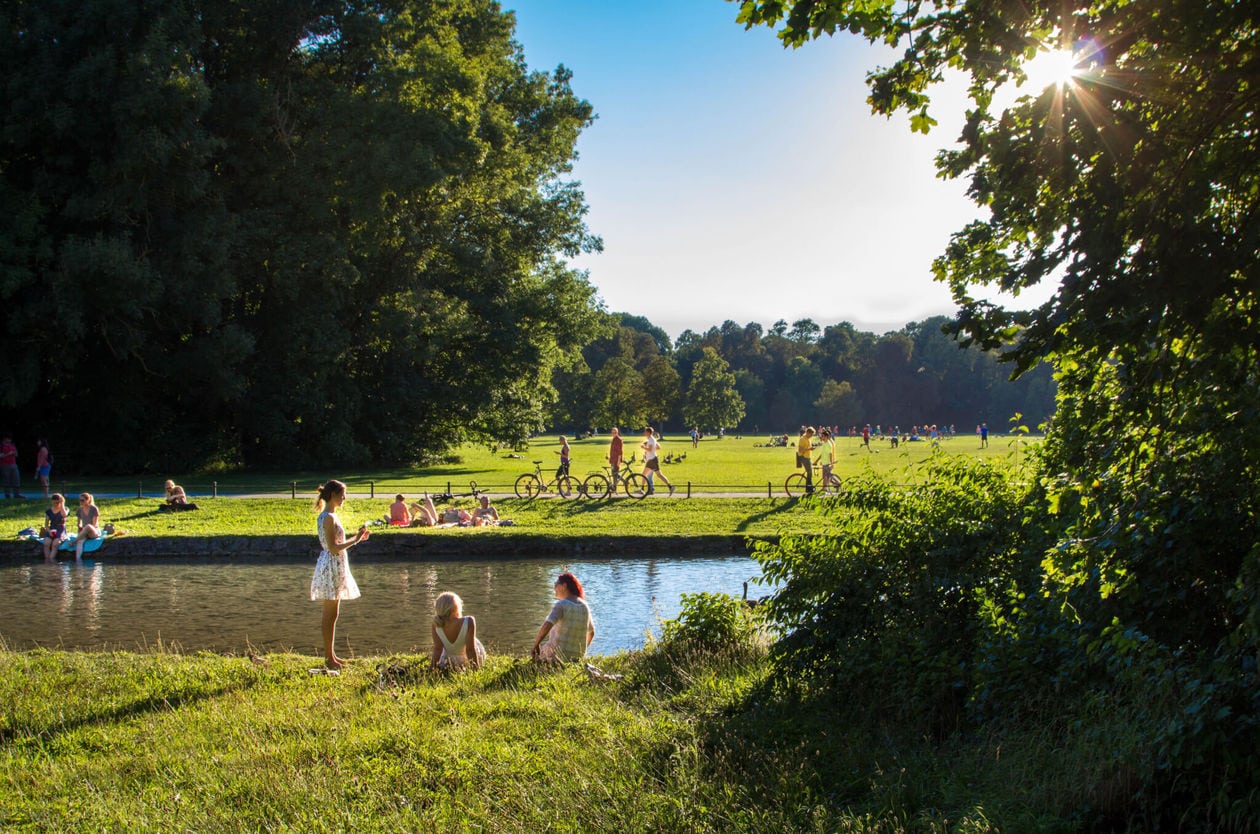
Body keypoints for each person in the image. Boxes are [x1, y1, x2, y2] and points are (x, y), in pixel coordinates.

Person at [310, 480, 369, 670]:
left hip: (336, 565)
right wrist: (356, 539)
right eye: (343, 494)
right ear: (334, 494)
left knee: (334, 613)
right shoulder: (328, 517)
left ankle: (332, 655)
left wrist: (355, 538)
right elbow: (333, 548)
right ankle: (329, 658)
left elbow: (335, 544)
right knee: (329, 614)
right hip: (331, 566)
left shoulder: (331, 515)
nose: (344, 498)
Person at [531, 572, 595, 663]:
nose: (554, 588)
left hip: (556, 656)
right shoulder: (585, 606)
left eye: (555, 584)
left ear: (564, 586)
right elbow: (591, 632)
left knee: (536, 656)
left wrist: (536, 644)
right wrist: (581, 651)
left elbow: (547, 625)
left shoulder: (561, 605)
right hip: (578, 658)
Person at [430, 591, 485, 670]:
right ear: (456, 607)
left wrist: (432, 668)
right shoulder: (468, 621)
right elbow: (470, 650)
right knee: (474, 640)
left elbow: (437, 649)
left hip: (447, 662)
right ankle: (474, 668)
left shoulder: (436, 624)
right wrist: (476, 669)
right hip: (466, 661)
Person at [640, 426, 673, 496]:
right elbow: (658, 447)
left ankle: (642, 490)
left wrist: (643, 447)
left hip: (651, 460)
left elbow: (650, 450)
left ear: (648, 433)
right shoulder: (652, 439)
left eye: (645, 432)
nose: (644, 433)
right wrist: (651, 449)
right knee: (659, 475)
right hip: (654, 459)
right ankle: (670, 487)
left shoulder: (651, 440)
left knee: (644, 474)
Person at [74, 492, 101, 561]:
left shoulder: (94, 509)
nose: (81, 502)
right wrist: (80, 527)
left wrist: (85, 529)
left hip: (93, 531)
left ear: (88, 500)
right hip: (84, 531)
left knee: (88, 526)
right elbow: (79, 523)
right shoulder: (79, 509)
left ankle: (74, 541)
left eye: (82, 500)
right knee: (80, 541)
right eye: (80, 500)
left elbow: (94, 524)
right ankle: (78, 560)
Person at [42, 492, 68, 561]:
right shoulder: (49, 511)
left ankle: (51, 560)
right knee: (46, 544)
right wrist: (49, 531)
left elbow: (64, 515)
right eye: (54, 503)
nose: (56, 504)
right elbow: (46, 525)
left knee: (55, 545)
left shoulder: (65, 509)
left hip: (60, 528)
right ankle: (47, 561)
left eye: (57, 502)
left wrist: (62, 504)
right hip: (52, 528)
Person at [796, 426, 816, 494]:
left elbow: (807, 447)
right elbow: (800, 450)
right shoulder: (802, 439)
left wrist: (811, 448)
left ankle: (810, 487)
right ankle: (809, 489)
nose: (811, 436)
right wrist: (809, 449)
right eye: (811, 435)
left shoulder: (808, 439)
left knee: (810, 473)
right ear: (807, 432)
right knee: (809, 473)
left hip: (808, 457)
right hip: (803, 457)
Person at [1, 434, 21, 499]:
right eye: (8, 439)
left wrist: (15, 453)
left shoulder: (12, 445)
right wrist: (8, 454)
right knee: (6, 480)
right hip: (4, 465)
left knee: (16, 479)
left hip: (13, 464)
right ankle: (7, 495)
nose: (10, 440)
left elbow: (17, 454)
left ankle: (17, 494)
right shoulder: (1, 446)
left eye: (10, 439)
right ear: (5, 439)